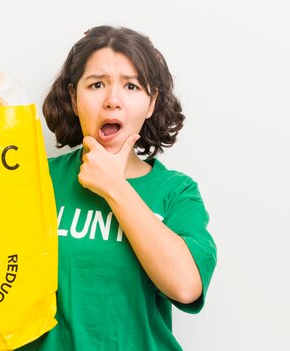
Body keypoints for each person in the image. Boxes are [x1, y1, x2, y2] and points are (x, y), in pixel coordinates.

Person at [20, 25, 217, 351]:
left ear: (151, 102)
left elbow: (186, 288)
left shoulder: (176, 192)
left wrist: (115, 187)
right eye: (97, 84)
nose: (113, 100)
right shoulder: (38, 179)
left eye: (131, 86)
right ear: (73, 96)